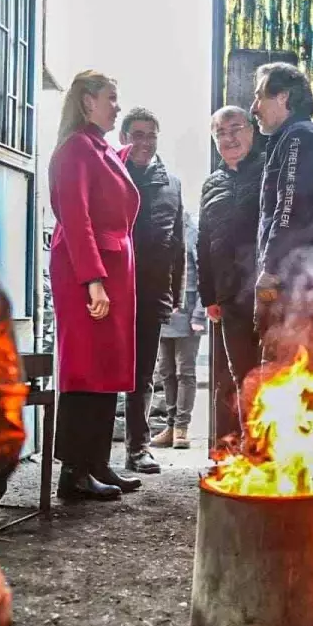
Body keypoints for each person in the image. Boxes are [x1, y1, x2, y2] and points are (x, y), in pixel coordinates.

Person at [48, 70, 143, 501]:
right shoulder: (74, 150)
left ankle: (97, 462)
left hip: (111, 271)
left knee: (106, 367)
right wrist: (93, 281)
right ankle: (74, 471)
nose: (116, 106)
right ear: (87, 102)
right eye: (111, 98)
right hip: (88, 272)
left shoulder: (99, 148)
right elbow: (76, 217)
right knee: (85, 367)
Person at [250, 63, 313, 358]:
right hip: (303, 279)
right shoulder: (294, 138)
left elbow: (289, 208)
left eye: (259, 96)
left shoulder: (298, 138)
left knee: (289, 368)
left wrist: (270, 271)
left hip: (301, 285)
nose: (254, 107)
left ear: (283, 98)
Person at [119, 107, 185, 474]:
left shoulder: (171, 184)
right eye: (137, 134)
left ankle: (137, 449)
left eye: (151, 135)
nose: (144, 142)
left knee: (143, 374)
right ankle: (92, 455)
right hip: (112, 292)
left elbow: (176, 245)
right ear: (124, 138)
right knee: (105, 372)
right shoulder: (112, 175)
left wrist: (176, 293)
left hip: (150, 292)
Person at [198, 106, 264, 434]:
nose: (229, 138)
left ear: (253, 130)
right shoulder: (212, 184)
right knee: (241, 376)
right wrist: (209, 295)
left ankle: (283, 452)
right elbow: (204, 243)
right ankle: (251, 448)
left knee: (276, 372)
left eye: (236, 128)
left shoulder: (270, 171)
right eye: (220, 133)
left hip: (269, 292)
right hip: (230, 297)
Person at [151, 211, 206, 450]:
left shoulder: (193, 231)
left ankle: (182, 428)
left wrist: (199, 313)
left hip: (188, 314)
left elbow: (204, 275)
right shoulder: (161, 229)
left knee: (185, 372)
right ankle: (171, 426)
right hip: (165, 313)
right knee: (166, 371)